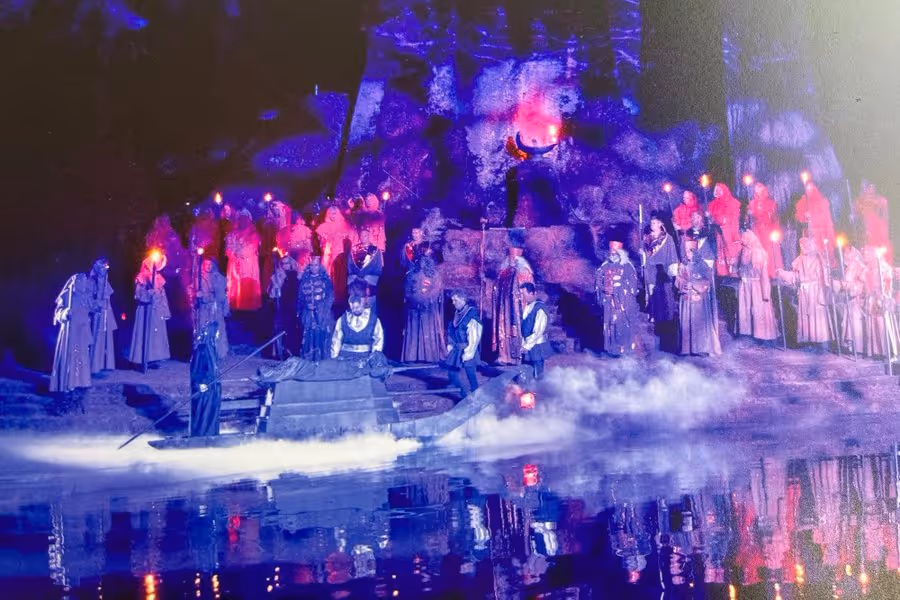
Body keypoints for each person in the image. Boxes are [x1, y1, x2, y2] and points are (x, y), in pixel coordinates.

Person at [777, 237, 832, 347]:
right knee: (806, 317)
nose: (802, 248)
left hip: (815, 291)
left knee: (816, 316)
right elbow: (796, 278)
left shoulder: (818, 259)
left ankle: (821, 343)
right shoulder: (799, 260)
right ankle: (809, 342)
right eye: (800, 246)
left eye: (804, 245)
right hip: (804, 292)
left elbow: (825, 278)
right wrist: (783, 274)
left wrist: (825, 290)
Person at [49, 271, 93, 393]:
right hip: (71, 332)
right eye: (82, 281)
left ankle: (82, 381)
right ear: (76, 282)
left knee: (81, 356)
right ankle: (68, 382)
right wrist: (65, 313)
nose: (84, 284)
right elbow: (58, 313)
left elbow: (92, 308)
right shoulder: (66, 296)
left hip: (82, 331)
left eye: (85, 281)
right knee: (70, 356)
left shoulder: (85, 296)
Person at [676, 240, 721, 356]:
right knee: (687, 322)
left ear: (695, 252)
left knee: (698, 323)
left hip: (698, 299)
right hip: (687, 298)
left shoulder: (702, 265)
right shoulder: (683, 265)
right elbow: (678, 280)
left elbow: (707, 280)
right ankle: (687, 348)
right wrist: (683, 284)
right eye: (686, 252)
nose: (687, 254)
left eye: (689, 252)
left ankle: (700, 348)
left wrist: (694, 285)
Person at [595, 241, 640, 356]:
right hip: (608, 301)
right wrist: (604, 289)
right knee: (610, 323)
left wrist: (619, 290)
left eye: (615, 253)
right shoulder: (604, 266)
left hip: (622, 302)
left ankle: (623, 349)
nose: (612, 255)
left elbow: (633, 285)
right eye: (611, 253)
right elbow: (598, 282)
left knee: (621, 324)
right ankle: (611, 349)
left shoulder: (627, 266)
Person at [401, 248, 447, 363]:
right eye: (420, 260)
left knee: (427, 329)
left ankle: (429, 356)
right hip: (413, 307)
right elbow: (407, 288)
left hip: (428, 307)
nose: (422, 262)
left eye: (425, 260)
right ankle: (411, 356)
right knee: (414, 330)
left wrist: (426, 299)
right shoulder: (411, 274)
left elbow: (436, 289)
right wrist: (413, 299)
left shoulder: (435, 275)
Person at [492, 246, 534, 365]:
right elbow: (497, 287)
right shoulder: (504, 273)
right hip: (504, 307)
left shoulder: (525, 272)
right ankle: (504, 356)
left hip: (517, 307)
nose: (512, 261)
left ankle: (517, 357)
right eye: (510, 258)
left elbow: (528, 289)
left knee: (516, 330)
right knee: (504, 331)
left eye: (515, 259)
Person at [129, 253, 171, 367]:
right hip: (145, 310)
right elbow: (138, 294)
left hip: (156, 310)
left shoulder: (159, 278)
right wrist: (147, 294)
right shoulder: (141, 277)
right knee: (144, 332)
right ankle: (141, 358)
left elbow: (162, 295)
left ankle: (153, 358)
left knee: (155, 334)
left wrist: (165, 310)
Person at [644, 214, 679, 350]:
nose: (652, 225)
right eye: (651, 223)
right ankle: (653, 316)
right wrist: (643, 254)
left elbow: (672, 253)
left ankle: (665, 319)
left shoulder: (667, 238)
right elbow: (646, 253)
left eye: (654, 223)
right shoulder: (647, 238)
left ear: (660, 224)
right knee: (651, 293)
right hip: (650, 269)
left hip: (662, 270)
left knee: (663, 295)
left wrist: (672, 269)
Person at [736, 230, 778, 342]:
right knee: (746, 309)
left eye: (744, 238)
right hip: (745, 285)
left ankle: (763, 336)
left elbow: (763, 274)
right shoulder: (742, 251)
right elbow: (739, 268)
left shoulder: (758, 252)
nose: (742, 240)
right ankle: (748, 333)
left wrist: (765, 292)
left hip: (756, 286)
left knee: (758, 309)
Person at [446, 289, 483, 399]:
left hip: (468, 348)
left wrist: (469, 352)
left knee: (470, 374)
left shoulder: (471, 315)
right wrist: (450, 343)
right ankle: (464, 394)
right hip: (457, 348)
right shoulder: (457, 314)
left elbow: (474, 336)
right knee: (452, 373)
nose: (453, 303)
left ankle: (476, 396)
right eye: (452, 300)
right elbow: (452, 331)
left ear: (463, 299)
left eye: (455, 300)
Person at [862, 246, 898, 358]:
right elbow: (866, 284)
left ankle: (889, 351)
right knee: (874, 325)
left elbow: (888, 283)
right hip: (873, 299)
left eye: (868, 254)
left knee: (883, 324)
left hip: (882, 300)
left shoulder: (884, 267)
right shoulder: (867, 268)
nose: (865, 256)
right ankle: (878, 351)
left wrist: (884, 296)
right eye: (864, 254)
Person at [297, 253, 335, 361]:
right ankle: (309, 360)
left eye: (316, 265)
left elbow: (330, 297)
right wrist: (306, 306)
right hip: (308, 316)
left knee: (322, 335)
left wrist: (320, 308)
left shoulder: (325, 281)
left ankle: (322, 360)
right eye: (312, 265)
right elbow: (300, 299)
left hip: (323, 316)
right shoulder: (304, 281)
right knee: (308, 336)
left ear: (320, 266)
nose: (314, 268)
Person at [225, 209, 262, 311]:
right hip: (234, 264)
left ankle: (248, 306)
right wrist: (234, 254)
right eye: (241, 219)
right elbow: (228, 248)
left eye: (245, 219)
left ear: (249, 220)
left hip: (249, 265)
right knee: (235, 285)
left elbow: (250, 249)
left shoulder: (254, 235)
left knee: (247, 284)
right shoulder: (232, 234)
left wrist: (238, 251)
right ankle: (235, 305)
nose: (243, 221)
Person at [190, 321, 222, 437]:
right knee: (203, 413)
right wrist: (200, 383)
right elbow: (195, 369)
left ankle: (212, 434)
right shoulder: (201, 349)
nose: (218, 334)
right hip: (204, 388)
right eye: (217, 331)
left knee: (213, 412)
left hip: (213, 387)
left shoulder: (213, 348)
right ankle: (201, 435)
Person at [194, 258, 230, 360]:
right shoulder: (198, 278)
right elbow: (192, 291)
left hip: (216, 308)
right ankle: (202, 354)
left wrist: (225, 308)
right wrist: (196, 295)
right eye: (206, 264)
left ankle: (218, 352)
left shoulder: (220, 278)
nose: (208, 267)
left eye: (210, 264)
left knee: (218, 329)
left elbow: (223, 295)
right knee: (203, 329)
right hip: (204, 308)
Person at [331, 293, 384, 361]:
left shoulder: (373, 320)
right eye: (353, 307)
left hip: (366, 358)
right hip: (345, 358)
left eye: (358, 307)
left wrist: (375, 358)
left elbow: (378, 339)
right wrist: (334, 358)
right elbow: (336, 340)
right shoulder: (342, 319)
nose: (355, 309)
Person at [794, 181, 836, 262]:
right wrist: (804, 217)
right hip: (808, 234)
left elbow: (826, 219)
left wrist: (813, 216)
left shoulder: (822, 202)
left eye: (811, 188)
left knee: (822, 256)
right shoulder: (803, 202)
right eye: (807, 189)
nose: (809, 191)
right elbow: (800, 218)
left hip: (820, 234)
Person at [747, 182, 783, 277]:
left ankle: (771, 272)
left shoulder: (771, 203)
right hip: (757, 231)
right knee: (757, 250)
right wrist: (749, 215)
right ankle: (759, 273)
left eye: (759, 187)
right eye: (755, 188)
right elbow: (748, 220)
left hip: (767, 231)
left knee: (769, 250)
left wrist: (775, 230)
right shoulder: (752, 203)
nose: (756, 189)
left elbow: (775, 219)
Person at [88, 258, 117, 374]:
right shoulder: (91, 282)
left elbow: (106, 298)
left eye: (105, 268)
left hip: (105, 314)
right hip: (95, 315)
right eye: (102, 268)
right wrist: (96, 304)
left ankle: (103, 364)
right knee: (95, 338)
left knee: (105, 339)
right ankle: (93, 365)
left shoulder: (105, 282)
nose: (104, 270)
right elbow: (88, 299)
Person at [519, 282, 552, 379]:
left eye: (523, 294)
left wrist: (527, 346)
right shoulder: (527, 306)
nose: (522, 297)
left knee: (538, 373)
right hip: (528, 344)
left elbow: (538, 331)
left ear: (532, 293)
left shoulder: (540, 309)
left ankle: (539, 387)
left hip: (537, 345)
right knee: (528, 371)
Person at [707, 183, 741, 276]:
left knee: (730, 250)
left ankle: (733, 272)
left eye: (719, 190)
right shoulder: (713, 204)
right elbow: (712, 218)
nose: (717, 192)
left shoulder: (732, 202)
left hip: (729, 231)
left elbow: (734, 217)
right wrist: (711, 218)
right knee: (720, 250)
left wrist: (724, 221)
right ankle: (723, 273)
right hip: (718, 231)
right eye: (716, 190)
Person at [854, 183, 892, 264]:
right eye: (868, 187)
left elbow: (885, 216)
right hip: (865, 229)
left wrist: (885, 227)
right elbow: (857, 216)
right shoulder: (859, 201)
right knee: (868, 248)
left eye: (872, 186)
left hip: (878, 228)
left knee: (880, 247)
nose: (871, 188)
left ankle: (882, 264)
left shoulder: (881, 200)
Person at [347, 227, 384, 302]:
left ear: (369, 236)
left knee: (369, 304)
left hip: (369, 283)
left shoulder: (375, 250)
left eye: (365, 235)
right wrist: (353, 276)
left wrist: (369, 278)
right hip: (356, 283)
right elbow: (349, 265)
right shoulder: (354, 250)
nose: (363, 237)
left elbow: (378, 267)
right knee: (355, 303)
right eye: (361, 235)